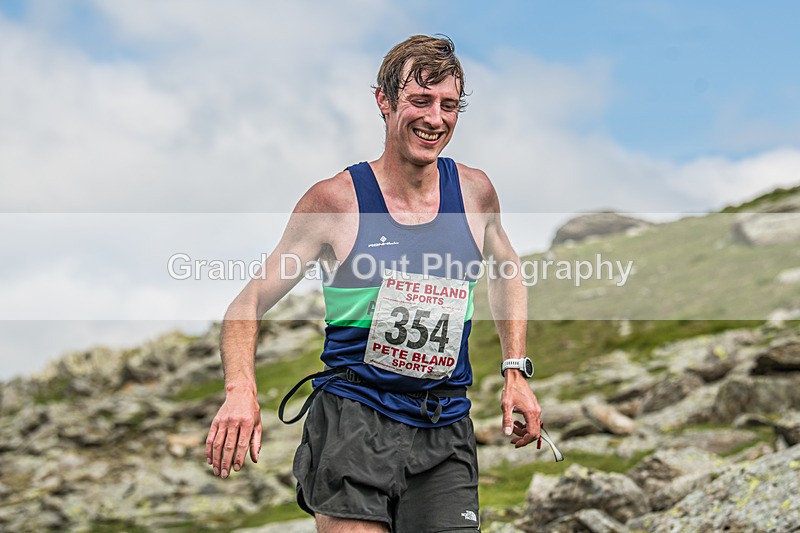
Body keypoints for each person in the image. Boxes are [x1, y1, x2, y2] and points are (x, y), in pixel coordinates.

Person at [206, 35, 549, 533]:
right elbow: (248, 302)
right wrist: (241, 390)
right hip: (355, 423)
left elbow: (506, 267)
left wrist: (515, 371)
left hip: (444, 424)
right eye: (420, 100)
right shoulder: (335, 202)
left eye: (448, 105)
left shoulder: (474, 192)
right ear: (384, 101)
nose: (435, 119)